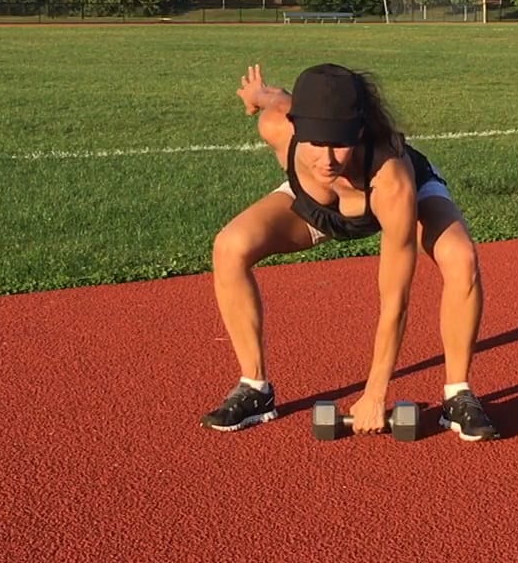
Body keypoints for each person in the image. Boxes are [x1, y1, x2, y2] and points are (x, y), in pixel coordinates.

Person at [199, 62, 501, 441]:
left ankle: (459, 395)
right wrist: (255, 95)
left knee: (461, 258)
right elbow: (276, 100)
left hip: (393, 200)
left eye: (339, 143)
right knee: (229, 246)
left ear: (359, 129)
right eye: (316, 142)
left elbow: (396, 299)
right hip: (317, 206)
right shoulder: (278, 125)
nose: (327, 160)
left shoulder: (392, 179)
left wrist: (375, 393)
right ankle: (255, 389)